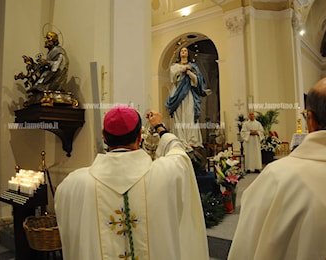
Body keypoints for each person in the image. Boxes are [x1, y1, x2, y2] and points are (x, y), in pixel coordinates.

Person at [228, 75, 326, 260]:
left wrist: (255, 132)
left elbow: (246, 249)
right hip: (250, 145)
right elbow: (244, 133)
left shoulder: (277, 179)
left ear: (311, 121)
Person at [54, 106, 209, 260]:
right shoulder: (167, 173)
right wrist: (159, 127)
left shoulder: (72, 186)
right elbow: (178, 151)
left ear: (104, 136)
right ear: (139, 137)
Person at [165, 47, 210, 152]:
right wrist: (184, 69)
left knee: (189, 115)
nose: (183, 52)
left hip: (189, 94)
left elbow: (197, 81)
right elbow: (173, 78)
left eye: (185, 51)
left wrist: (190, 73)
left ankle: (191, 140)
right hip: (177, 93)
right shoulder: (175, 66)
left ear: (188, 53)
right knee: (179, 115)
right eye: (181, 51)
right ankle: (179, 139)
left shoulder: (193, 66)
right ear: (179, 54)